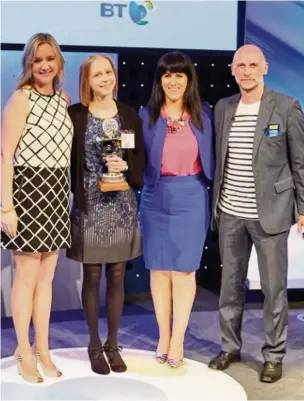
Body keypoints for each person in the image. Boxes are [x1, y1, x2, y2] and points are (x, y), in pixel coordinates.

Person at [208, 44, 304, 383]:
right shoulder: (223, 108)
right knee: (229, 287)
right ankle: (229, 346)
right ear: (233, 70)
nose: (247, 71)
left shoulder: (287, 106)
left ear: (265, 67)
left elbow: (300, 161)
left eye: (253, 65)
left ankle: (274, 354)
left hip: (272, 214)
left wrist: (302, 206)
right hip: (231, 212)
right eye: (241, 65)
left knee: (274, 289)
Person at [1, 33, 73, 382]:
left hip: (58, 192)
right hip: (28, 192)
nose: (44, 65)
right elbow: (5, 156)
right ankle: (23, 351)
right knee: (26, 279)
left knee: (46, 280)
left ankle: (42, 347)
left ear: (59, 61)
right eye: (37, 60)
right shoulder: (20, 98)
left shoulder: (63, 99)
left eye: (50, 59)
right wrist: (5, 208)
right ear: (29, 64)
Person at [67, 54, 145, 375]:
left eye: (108, 72)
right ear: (86, 80)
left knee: (116, 274)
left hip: (122, 204)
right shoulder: (75, 115)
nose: (104, 78)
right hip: (90, 204)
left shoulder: (128, 114)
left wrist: (127, 167)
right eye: (97, 74)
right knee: (93, 276)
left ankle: (113, 344)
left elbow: (140, 157)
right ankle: (94, 343)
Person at [139, 51, 214, 368]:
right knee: (158, 270)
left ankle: (178, 338)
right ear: (160, 80)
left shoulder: (205, 115)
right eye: (167, 75)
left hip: (191, 196)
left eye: (179, 74)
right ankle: (163, 335)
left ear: (188, 79)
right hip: (155, 196)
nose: (172, 80)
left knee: (184, 271)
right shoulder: (146, 115)